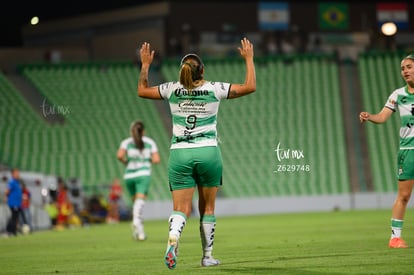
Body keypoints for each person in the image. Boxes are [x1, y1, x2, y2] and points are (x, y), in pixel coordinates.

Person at [137, 37, 256, 269]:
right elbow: (249, 86)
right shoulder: (215, 88)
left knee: (180, 209)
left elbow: (142, 90)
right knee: (207, 209)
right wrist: (249, 59)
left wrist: (145, 65)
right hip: (208, 152)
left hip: (180, 153)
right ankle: (207, 256)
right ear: (202, 70)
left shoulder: (171, 89)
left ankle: (173, 240)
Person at [359, 54, 414, 249]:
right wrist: (369, 116)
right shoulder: (398, 94)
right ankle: (395, 238)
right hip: (408, 151)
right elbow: (382, 117)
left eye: (409, 67)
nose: (405, 71)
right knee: (404, 196)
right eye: (402, 68)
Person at [117, 120, 160, 240]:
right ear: (144, 131)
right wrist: (146, 161)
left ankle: (140, 233)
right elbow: (157, 159)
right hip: (143, 174)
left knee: (135, 203)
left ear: (132, 131)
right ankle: (136, 221)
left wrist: (127, 162)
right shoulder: (149, 142)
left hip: (129, 175)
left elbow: (119, 156)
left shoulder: (126, 142)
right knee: (140, 202)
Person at [5, 168, 23, 236]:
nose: (18, 174)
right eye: (16, 173)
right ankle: (10, 231)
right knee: (14, 217)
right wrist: (8, 198)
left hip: (17, 203)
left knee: (15, 217)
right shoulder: (12, 181)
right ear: (12, 174)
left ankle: (13, 230)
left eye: (18, 173)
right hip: (13, 203)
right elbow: (7, 191)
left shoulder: (17, 182)